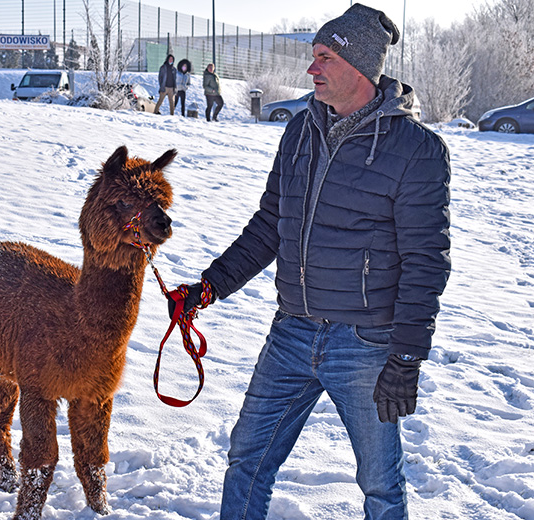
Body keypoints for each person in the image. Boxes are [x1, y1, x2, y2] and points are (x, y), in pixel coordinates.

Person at [172, 4, 451, 519]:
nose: (312, 69)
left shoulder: (417, 150)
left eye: (324, 57)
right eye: (313, 56)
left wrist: (406, 359)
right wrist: (209, 287)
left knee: (381, 485)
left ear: (359, 66)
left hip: (365, 344)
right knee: (247, 460)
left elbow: (425, 264)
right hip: (292, 333)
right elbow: (269, 226)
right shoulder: (299, 132)